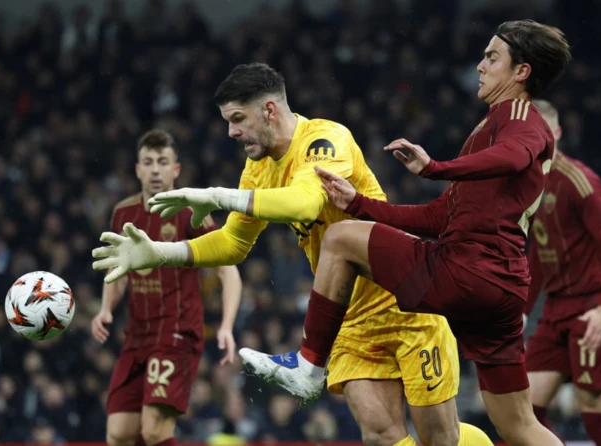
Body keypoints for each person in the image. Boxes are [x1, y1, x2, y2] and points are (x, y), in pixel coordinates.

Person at [92, 63, 493, 446]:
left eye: (237, 119)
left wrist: (216, 195)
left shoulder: (325, 139)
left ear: (269, 110)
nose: (230, 132)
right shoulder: (258, 169)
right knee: (379, 435)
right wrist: (158, 252)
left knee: (440, 439)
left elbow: (303, 203)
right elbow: (233, 243)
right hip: (346, 319)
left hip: (405, 301)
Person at [231, 20, 571, 446]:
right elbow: (439, 216)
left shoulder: (518, 116)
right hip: (499, 287)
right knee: (518, 426)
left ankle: (308, 367)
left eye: (492, 57)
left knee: (340, 239)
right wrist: (358, 204)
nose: (481, 66)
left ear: (521, 72)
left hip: (470, 269)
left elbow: (515, 155)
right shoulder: (490, 127)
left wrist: (435, 168)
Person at [90, 129, 243, 446]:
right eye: (148, 162)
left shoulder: (190, 211)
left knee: (155, 430)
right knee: (119, 433)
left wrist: (227, 326)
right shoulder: (123, 213)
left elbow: (229, 271)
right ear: (137, 169)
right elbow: (116, 270)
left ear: (176, 169)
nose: (155, 169)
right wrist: (106, 309)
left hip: (177, 332)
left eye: (163, 162)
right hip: (136, 335)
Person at [523, 100, 601, 446]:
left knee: (594, 405)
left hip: (590, 308)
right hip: (555, 312)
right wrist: (523, 309)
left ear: (558, 133)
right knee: (524, 407)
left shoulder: (580, 181)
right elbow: (539, 255)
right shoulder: (528, 185)